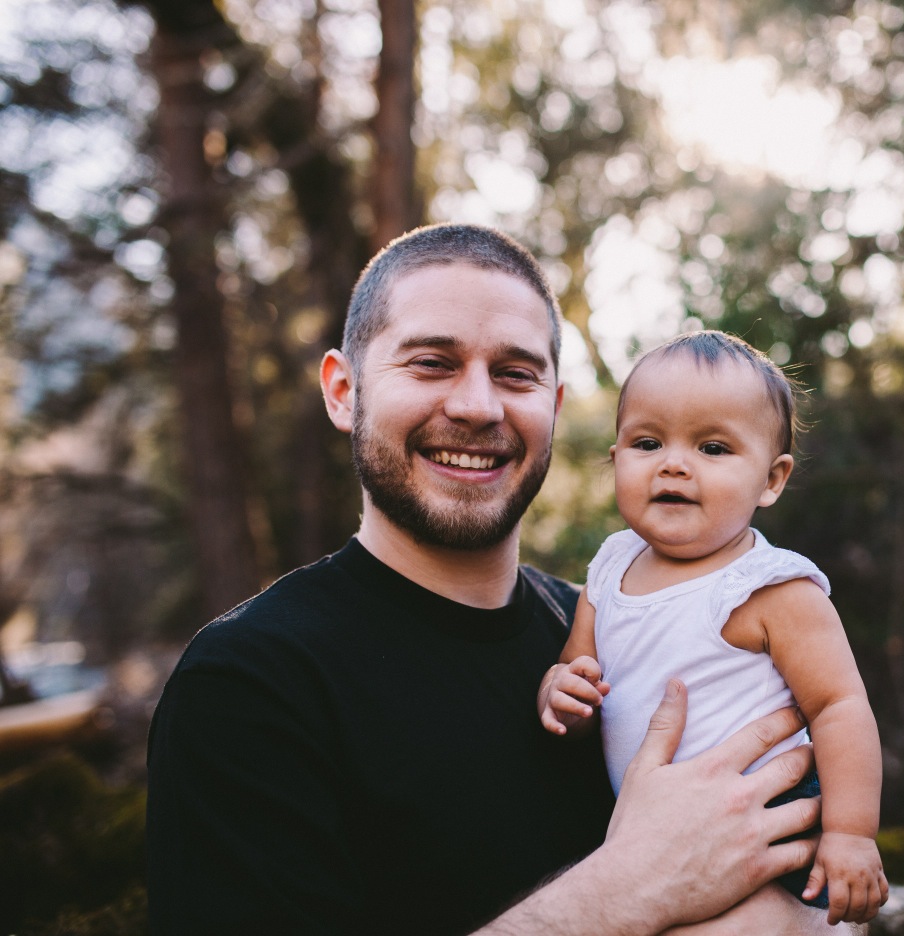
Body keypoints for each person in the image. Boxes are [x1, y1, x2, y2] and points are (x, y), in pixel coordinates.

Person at [145, 224, 840, 935]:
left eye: (515, 374)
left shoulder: (611, 640)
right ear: (343, 391)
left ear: (555, 408)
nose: (478, 406)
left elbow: (821, 895)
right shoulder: (248, 683)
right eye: (431, 363)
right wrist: (620, 893)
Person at [538, 331, 889, 926]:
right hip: (658, 845)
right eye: (648, 442)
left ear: (771, 479)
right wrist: (562, 692)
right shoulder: (610, 568)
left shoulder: (771, 588)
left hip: (768, 833)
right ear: (616, 456)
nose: (674, 463)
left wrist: (852, 834)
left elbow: (839, 706)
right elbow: (580, 669)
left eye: (714, 448)